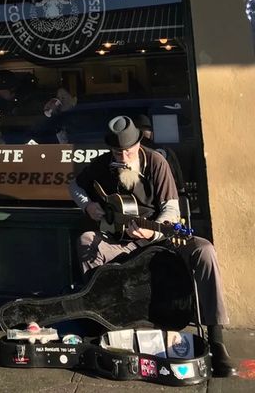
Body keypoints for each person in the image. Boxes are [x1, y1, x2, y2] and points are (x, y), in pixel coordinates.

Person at [69, 115, 236, 378]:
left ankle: (216, 338)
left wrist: (154, 229)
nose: (123, 157)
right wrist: (88, 205)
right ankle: (101, 323)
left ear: (139, 143)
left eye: (129, 151)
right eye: (117, 152)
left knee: (204, 250)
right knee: (87, 241)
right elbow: (75, 186)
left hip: (162, 238)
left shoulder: (156, 162)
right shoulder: (101, 165)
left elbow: (171, 208)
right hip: (120, 242)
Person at [134, 113, 186, 194]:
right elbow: (178, 177)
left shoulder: (130, 152)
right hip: (167, 192)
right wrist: (181, 191)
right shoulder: (165, 150)